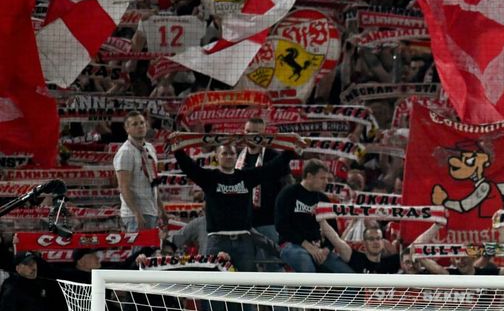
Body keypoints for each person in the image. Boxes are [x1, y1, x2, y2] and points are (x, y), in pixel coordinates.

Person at [171, 134, 295, 272]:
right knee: (214, 285)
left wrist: (293, 149)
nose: (229, 156)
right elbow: (188, 166)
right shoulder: (209, 178)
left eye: (232, 153)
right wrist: (177, 149)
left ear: (236, 156)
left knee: (247, 284)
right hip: (217, 240)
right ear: (217, 157)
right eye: (224, 153)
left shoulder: (246, 176)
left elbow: (272, 168)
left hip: (244, 239)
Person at [274, 160, 355, 273]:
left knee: (348, 275)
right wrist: (308, 246)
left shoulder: (324, 199)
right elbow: (281, 226)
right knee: (306, 265)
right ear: (309, 176)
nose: (326, 182)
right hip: (291, 245)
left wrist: (326, 250)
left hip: (319, 249)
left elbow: (333, 230)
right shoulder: (288, 193)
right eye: (322, 178)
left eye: (327, 179)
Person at [113, 111, 161, 232]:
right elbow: (124, 187)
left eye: (142, 123)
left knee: (150, 250)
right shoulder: (125, 152)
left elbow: (154, 182)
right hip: (135, 214)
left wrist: (161, 209)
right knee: (138, 250)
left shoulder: (150, 148)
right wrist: (136, 213)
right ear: (127, 129)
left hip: (151, 210)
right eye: (135, 124)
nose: (140, 126)